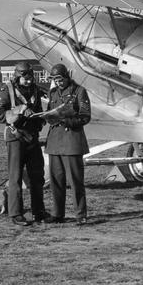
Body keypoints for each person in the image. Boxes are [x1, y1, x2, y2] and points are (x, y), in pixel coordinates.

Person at [0, 61, 47, 227]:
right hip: (15, 138)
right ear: (18, 76)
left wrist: (42, 119)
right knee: (15, 177)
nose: (29, 81)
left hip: (33, 137)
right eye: (26, 78)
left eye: (31, 77)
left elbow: (37, 109)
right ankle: (16, 213)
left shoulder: (35, 90)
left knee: (37, 177)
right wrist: (20, 109)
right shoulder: (6, 90)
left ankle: (39, 212)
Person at [44, 63, 91, 225]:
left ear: (67, 77)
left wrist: (67, 120)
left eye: (60, 79)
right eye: (55, 80)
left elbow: (85, 116)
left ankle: (81, 214)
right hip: (55, 141)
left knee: (75, 181)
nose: (58, 82)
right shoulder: (52, 93)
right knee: (56, 180)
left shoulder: (79, 91)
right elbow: (50, 111)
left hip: (71, 141)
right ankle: (57, 214)